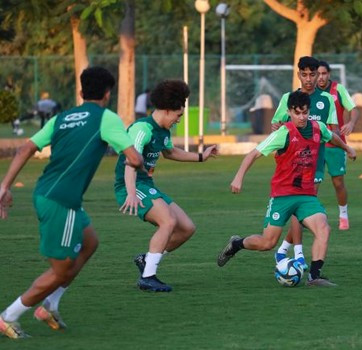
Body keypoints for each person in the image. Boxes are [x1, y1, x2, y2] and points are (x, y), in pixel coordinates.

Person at [0, 67, 143, 339]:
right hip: (60, 201)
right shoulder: (106, 118)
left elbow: (25, 148)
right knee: (60, 270)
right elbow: (134, 159)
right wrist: (140, 163)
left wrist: (4, 186)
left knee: (90, 243)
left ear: (81, 92)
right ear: (108, 93)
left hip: (52, 193)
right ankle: (9, 315)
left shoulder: (61, 118)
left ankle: (50, 305)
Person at [217, 90, 356, 287]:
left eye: (305, 112)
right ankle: (237, 244)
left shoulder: (318, 128)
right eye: (297, 113)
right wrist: (238, 177)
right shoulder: (283, 134)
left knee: (323, 228)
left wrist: (347, 148)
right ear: (289, 112)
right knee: (267, 243)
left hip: (306, 196)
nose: (302, 117)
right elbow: (252, 155)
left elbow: (332, 137)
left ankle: (314, 276)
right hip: (282, 196)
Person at [115, 79, 217, 293]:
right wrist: (131, 193)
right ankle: (148, 277)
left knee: (187, 228)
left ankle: (147, 259)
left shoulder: (163, 131)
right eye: (178, 115)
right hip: (130, 184)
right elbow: (130, 163)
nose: (178, 120)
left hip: (146, 184)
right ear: (168, 110)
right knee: (168, 221)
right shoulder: (142, 128)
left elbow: (170, 152)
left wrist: (201, 157)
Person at [271, 56, 338, 270]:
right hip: (291, 164)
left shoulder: (327, 100)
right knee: (299, 208)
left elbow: (332, 130)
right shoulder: (288, 98)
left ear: (319, 75)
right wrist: (280, 127)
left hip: (315, 163)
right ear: (299, 74)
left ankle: (283, 250)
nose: (309, 79)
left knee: (304, 210)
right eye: (305, 75)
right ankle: (298, 254)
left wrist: (333, 139)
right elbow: (276, 125)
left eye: (313, 74)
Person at [317, 60, 358, 230]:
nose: (320, 77)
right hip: (314, 145)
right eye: (317, 73)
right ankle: (307, 216)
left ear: (329, 74)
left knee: (338, 182)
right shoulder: (307, 91)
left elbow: (354, 109)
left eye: (323, 73)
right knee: (312, 184)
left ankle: (343, 215)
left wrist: (350, 123)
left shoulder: (338, 89)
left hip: (335, 143)